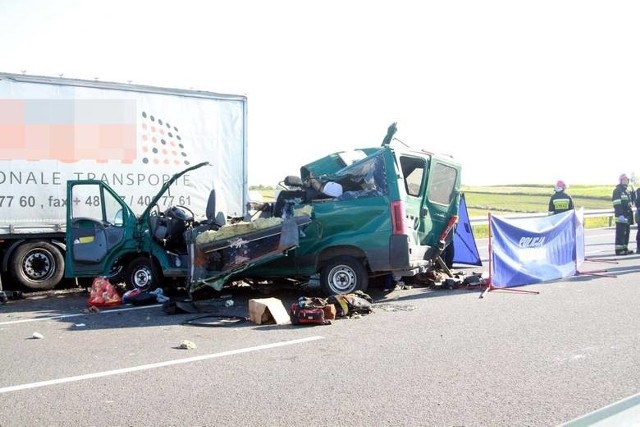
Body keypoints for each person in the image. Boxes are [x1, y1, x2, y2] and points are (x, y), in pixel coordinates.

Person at [612, 173, 634, 255]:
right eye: (625, 180)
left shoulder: (627, 191)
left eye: (627, 180)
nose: (627, 181)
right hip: (621, 216)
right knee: (620, 233)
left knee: (626, 233)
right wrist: (620, 214)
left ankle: (625, 248)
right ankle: (619, 250)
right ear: (621, 181)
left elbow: (632, 201)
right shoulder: (617, 190)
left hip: (627, 216)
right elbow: (617, 204)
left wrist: (633, 192)